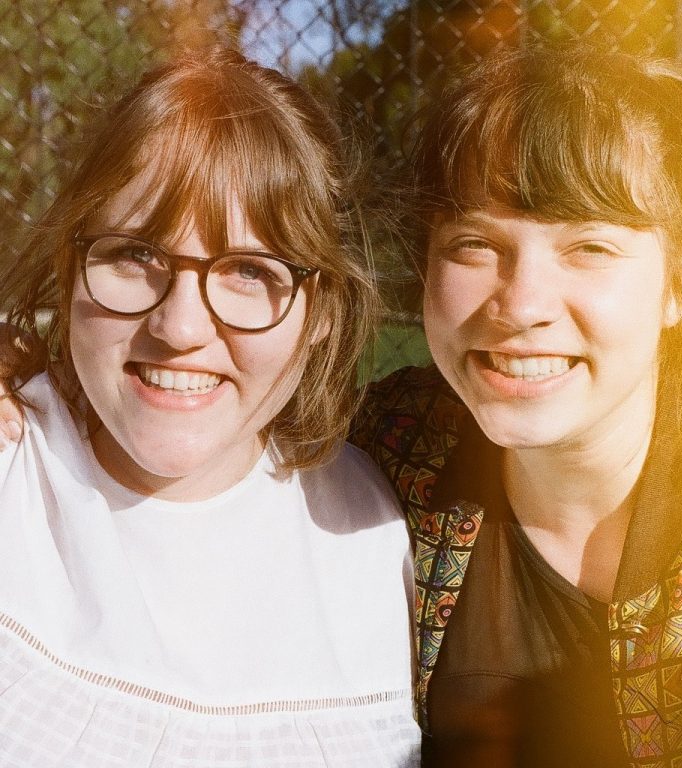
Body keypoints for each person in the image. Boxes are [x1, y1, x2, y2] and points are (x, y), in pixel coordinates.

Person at [0, 48, 420, 766]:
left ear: (322, 310)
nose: (180, 327)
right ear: (70, 268)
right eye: (134, 255)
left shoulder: (391, 534)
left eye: (250, 271)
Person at [351, 45, 682, 766]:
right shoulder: (380, 453)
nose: (522, 306)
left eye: (590, 248)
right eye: (475, 244)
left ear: (681, 281)